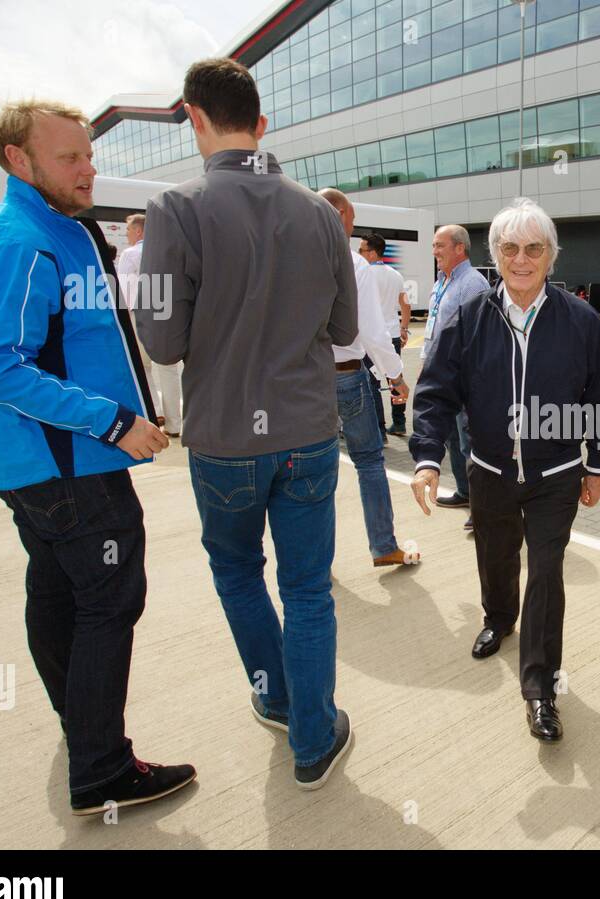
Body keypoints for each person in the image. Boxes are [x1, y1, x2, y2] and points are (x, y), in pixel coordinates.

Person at [0, 99, 193, 815]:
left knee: (59, 591)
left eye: (89, 155)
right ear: (17, 160)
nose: (88, 169)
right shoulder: (17, 240)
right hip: (69, 465)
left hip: (47, 465)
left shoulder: (55, 226)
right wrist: (112, 419)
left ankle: (81, 724)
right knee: (111, 599)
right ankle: (101, 769)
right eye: (69, 159)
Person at [137, 58, 358, 790]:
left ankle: (276, 696)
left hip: (226, 440)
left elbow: (163, 341)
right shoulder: (322, 214)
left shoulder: (177, 207)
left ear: (193, 117)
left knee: (237, 571)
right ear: (260, 124)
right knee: (309, 590)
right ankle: (312, 738)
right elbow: (346, 325)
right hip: (308, 433)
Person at [410, 198, 600, 742]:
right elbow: (435, 391)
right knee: (495, 555)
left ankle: (540, 689)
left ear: (551, 256)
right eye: (510, 248)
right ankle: (498, 618)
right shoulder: (470, 317)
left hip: (556, 477)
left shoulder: (580, 320)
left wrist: (596, 464)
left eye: (534, 249)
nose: (522, 259)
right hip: (489, 470)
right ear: (495, 255)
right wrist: (429, 457)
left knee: (547, 574)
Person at [319, 189, 415, 568]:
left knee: (314, 465)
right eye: (353, 217)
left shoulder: (288, 255)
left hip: (302, 380)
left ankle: (316, 561)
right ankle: (383, 546)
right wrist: (395, 377)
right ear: (341, 215)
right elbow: (373, 331)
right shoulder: (352, 263)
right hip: (346, 374)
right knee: (369, 461)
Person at [425, 224, 490, 528]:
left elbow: (476, 336)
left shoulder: (472, 283)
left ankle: (482, 507)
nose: (435, 251)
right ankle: (465, 492)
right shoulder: (441, 281)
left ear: (459, 248)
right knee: (451, 436)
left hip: (462, 376)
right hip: (441, 375)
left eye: (440, 246)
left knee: (469, 443)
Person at [117, 213, 182, 436]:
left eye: (128, 231)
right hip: (171, 312)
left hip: (141, 315)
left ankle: (154, 413)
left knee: (142, 367)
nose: (127, 235)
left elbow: (123, 292)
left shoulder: (130, 254)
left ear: (139, 231)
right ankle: (175, 424)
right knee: (168, 369)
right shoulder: (171, 250)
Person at [359, 233, 412, 438]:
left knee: (372, 382)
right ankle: (399, 423)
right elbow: (405, 304)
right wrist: (404, 329)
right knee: (394, 377)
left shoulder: (363, 274)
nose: (359, 253)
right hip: (392, 335)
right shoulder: (395, 274)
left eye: (362, 250)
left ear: (372, 253)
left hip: (370, 338)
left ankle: (379, 430)